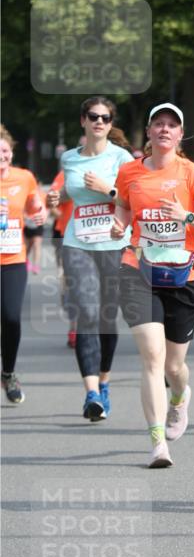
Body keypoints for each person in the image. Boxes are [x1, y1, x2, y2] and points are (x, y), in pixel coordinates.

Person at [112, 103, 194, 468]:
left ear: (180, 134)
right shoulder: (129, 172)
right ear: (148, 131)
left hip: (184, 276)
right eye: (158, 124)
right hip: (138, 269)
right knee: (152, 358)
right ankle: (158, 442)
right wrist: (118, 224)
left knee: (174, 367)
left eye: (171, 125)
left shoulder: (191, 173)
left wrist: (186, 215)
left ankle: (179, 398)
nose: (164, 130)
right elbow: (124, 208)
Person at [46, 98, 133, 421]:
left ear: (111, 123)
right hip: (77, 243)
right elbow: (70, 192)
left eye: (105, 117)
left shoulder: (122, 158)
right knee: (87, 313)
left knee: (107, 318)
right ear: (83, 121)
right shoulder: (69, 158)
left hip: (113, 244)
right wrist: (59, 196)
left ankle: (105, 381)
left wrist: (106, 188)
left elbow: (134, 198)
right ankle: (92, 393)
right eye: (93, 116)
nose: (99, 121)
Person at [0, 124, 47, 403]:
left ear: (12, 151)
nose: (1, 156)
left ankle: (8, 373)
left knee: (11, 317)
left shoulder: (24, 177)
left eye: (4, 151)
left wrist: (38, 215)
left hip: (14, 257)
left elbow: (34, 207)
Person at [47, 169, 76, 348]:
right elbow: (51, 203)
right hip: (67, 236)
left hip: (98, 240)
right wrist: (67, 216)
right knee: (70, 282)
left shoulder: (108, 169)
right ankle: (74, 327)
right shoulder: (66, 173)